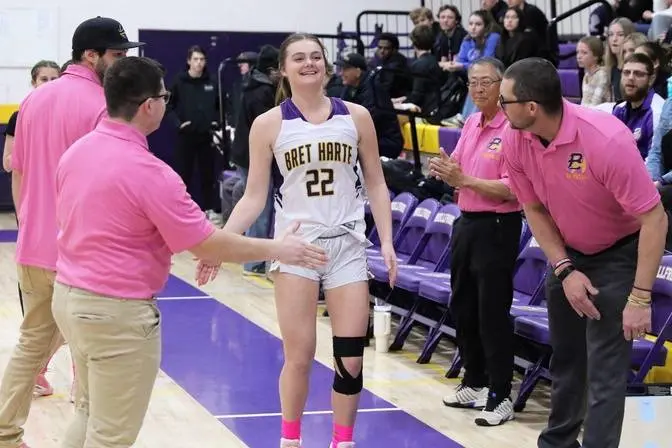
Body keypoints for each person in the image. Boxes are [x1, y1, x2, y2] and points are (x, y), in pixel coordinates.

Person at [51, 56, 327, 448]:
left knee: (88, 412)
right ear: (149, 105)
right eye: (164, 96)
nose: (166, 103)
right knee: (110, 436)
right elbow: (206, 243)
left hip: (69, 299)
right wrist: (281, 248)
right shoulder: (149, 172)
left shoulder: (76, 153)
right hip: (116, 314)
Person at [220, 33, 397, 448]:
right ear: (284, 69)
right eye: (298, 58)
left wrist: (386, 241)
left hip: (348, 245)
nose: (309, 63)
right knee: (299, 356)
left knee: (350, 358)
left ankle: (343, 441)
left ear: (327, 66)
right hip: (296, 246)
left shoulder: (356, 116)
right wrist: (221, 242)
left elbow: (376, 183)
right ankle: (291, 441)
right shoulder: (269, 124)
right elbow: (253, 196)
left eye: (316, 56)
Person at [499, 57, 667, 448]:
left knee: (606, 371)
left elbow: (655, 219)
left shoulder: (605, 140)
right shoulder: (515, 137)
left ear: (531, 107)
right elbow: (534, 209)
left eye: (505, 100)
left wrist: (640, 296)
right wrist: (564, 268)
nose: (498, 106)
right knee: (568, 360)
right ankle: (557, 444)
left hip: (618, 255)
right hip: (567, 251)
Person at [0, 16, 144, 448]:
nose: (121, 63)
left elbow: (18, 172)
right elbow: (108, 185)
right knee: (93, 356)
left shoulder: (35, 100)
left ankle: (5, 432)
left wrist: (30, 225)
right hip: (79, 254)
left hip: (33, 245)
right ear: (91, 55)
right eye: (117, 54)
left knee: (32, 345)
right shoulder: (103, 104)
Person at [430, 57, 520, 426]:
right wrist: (446, 171)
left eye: (486, 82)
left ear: (502, 85)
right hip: (465, 222)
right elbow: (461, 170)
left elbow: (512, 189)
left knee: (491, 312)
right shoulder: (470, 122)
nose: (478, 88)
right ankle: (475, 380)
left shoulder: (514, 129)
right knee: (463, 307)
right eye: (472, 82)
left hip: (498, 225)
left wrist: (463, 180)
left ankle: (500, 394)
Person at [1, 59, 62, 400]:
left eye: (55, 77)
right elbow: (12, 165)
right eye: (44, 78)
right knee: (40, 316)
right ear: (33, 80)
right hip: (36, 220)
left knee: (68, 314)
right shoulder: (23, 114)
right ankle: (34, 372)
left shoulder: (63, 113)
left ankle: (48, 368)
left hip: (63, 219)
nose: (49, 82)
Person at [167, 45, 221, 223]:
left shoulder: (212, 81)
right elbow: (168, 105)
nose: (199, 63)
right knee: (183, 175)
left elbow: (220, 107)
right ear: (189, 61)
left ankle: (210, 210)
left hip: (207, 136)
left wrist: (216, 122)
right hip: (186, 137)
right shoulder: (179, 81)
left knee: (208, 175)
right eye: (195, 59)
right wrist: (179, 124)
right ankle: (180, 212)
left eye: (202, 59)